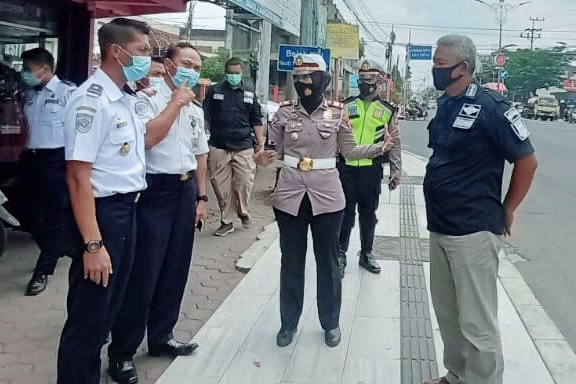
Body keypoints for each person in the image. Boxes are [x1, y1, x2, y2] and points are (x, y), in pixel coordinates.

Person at [256, 53, 397, 349]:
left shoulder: (337, 113)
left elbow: (350, 151)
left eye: (310, 76)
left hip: (328, 197)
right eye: (298, 77)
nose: (303, 82)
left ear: (323, 80)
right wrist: (261, 158)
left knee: (329, 262)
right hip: (290, 195)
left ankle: (330, 322)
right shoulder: (283, 113)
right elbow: (272, 150)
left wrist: (380, 148)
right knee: (291, 261)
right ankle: (288, 323)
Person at [423, 35, 538, 384]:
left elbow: (527, 161)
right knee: (448, 314)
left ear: (462, 67)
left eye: (440, 64)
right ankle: (457, 375)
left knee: (477, 323)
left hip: (473, 230)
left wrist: (509, 208)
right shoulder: (446, 103)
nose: (434, 69)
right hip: (441, 226)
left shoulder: (492, 107)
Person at [56, 18, 152, 384]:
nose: (147, 58)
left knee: (109, 309)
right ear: (116, 51)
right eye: (142, 50)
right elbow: (77, 177)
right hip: (102, 216)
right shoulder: (91, 101)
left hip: (127, 211)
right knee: (90, 315)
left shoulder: (124, 98)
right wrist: (93, 245)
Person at [107, 42, 208, 384]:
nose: (191, 71)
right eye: (186, 63)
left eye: (196, 66)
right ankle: (122, 352)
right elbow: (148, 140)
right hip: (154, 191)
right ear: (168, 64)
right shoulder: (146, 99)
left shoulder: (196, 108)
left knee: (175, 269)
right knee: (144, 273)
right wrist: (175, 103)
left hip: (185, 190)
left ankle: (162, 336)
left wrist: (202, 198)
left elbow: (200, 154)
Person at [337, 59, 401, 276]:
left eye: (370, 78)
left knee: (368, 213)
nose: (366, 82)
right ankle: (340, 253)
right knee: (345, 212)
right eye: (362, 78)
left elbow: (394, 141)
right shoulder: (346, 106)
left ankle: (366, 253)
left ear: (380, 81)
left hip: (371, 169)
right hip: (345, 168)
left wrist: (395, 171)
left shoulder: (387, 110)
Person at [20, 47, 74, 296]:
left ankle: (42, 271)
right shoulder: (30, 94)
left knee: (54, 217)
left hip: (56, 160)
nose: (25, 74)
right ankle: (55, 248)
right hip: (31, 159)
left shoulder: (67, 93)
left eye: (28, 69)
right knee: (28, 215)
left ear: (45, 68)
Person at [203, 57, 264, 236]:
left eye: (236, 73)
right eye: (230, 73)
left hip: (243, 144)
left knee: (244, 181)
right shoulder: (215, 91)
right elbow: (205, 116)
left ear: (241, 72)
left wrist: (260, 144)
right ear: (226, 73)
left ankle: (242, 211)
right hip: (219, 144)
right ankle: (227, 221)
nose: (233, 76)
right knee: (220, 186)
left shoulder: (249, 92)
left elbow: (256, 119)